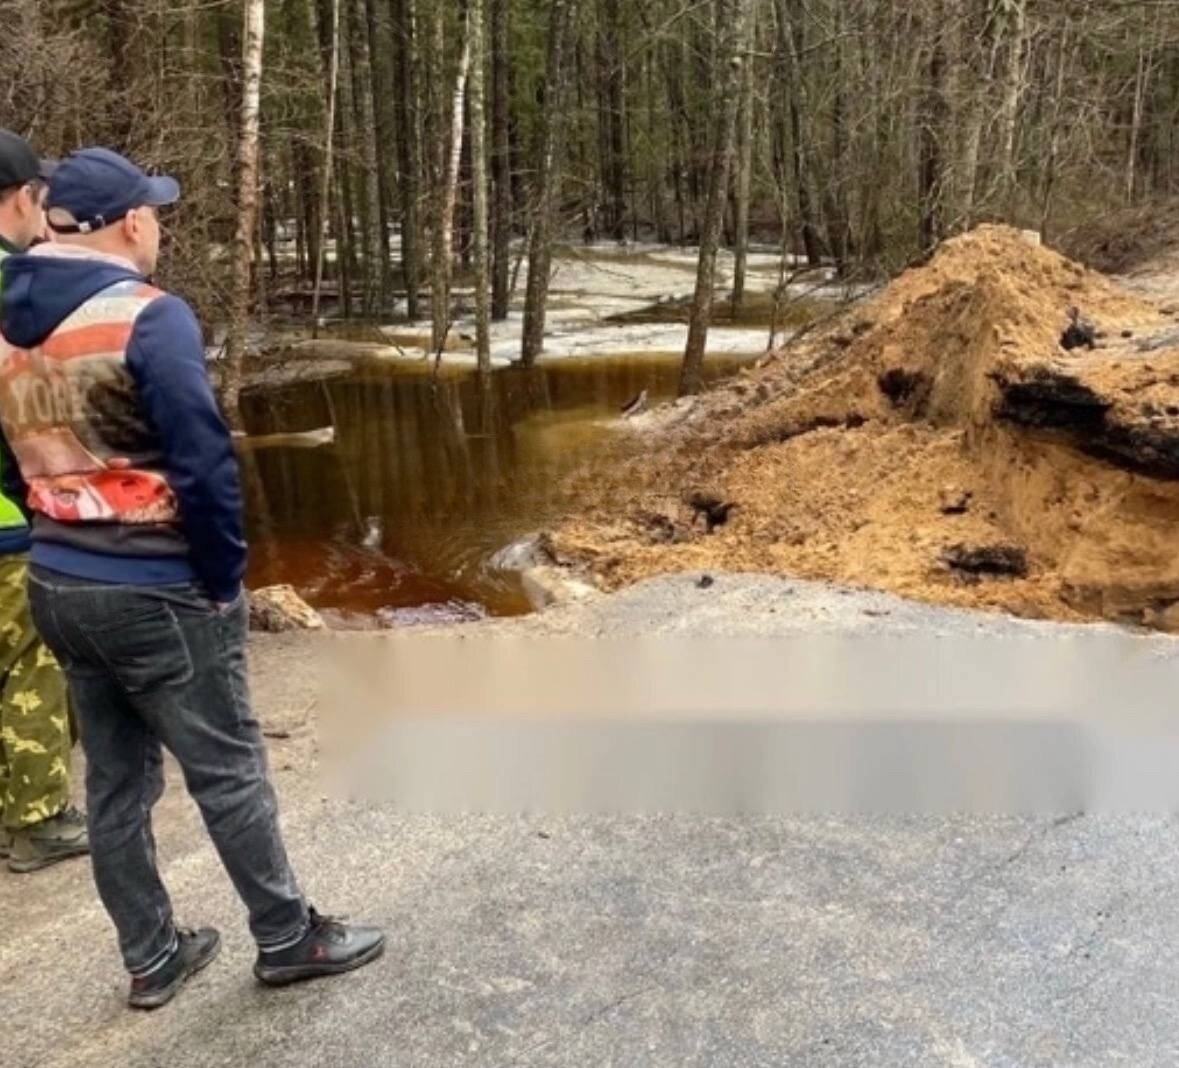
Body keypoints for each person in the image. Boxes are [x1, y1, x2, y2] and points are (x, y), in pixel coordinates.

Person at [0, 146, 384, 1009]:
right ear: (131, 222)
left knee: (114, 783)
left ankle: (151, 955)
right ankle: (288, 937)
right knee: (229, 769)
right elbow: (206, 468)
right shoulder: (147, 316)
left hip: (57, 581)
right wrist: (221, 580)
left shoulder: (6, 322)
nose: (160, 225)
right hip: (156, 583)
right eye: (155, 211)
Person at [0, 129, 87, 873]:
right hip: (7, 516)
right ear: (25, 197)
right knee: (34, 660)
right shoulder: (15, 286)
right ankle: (36, 819)